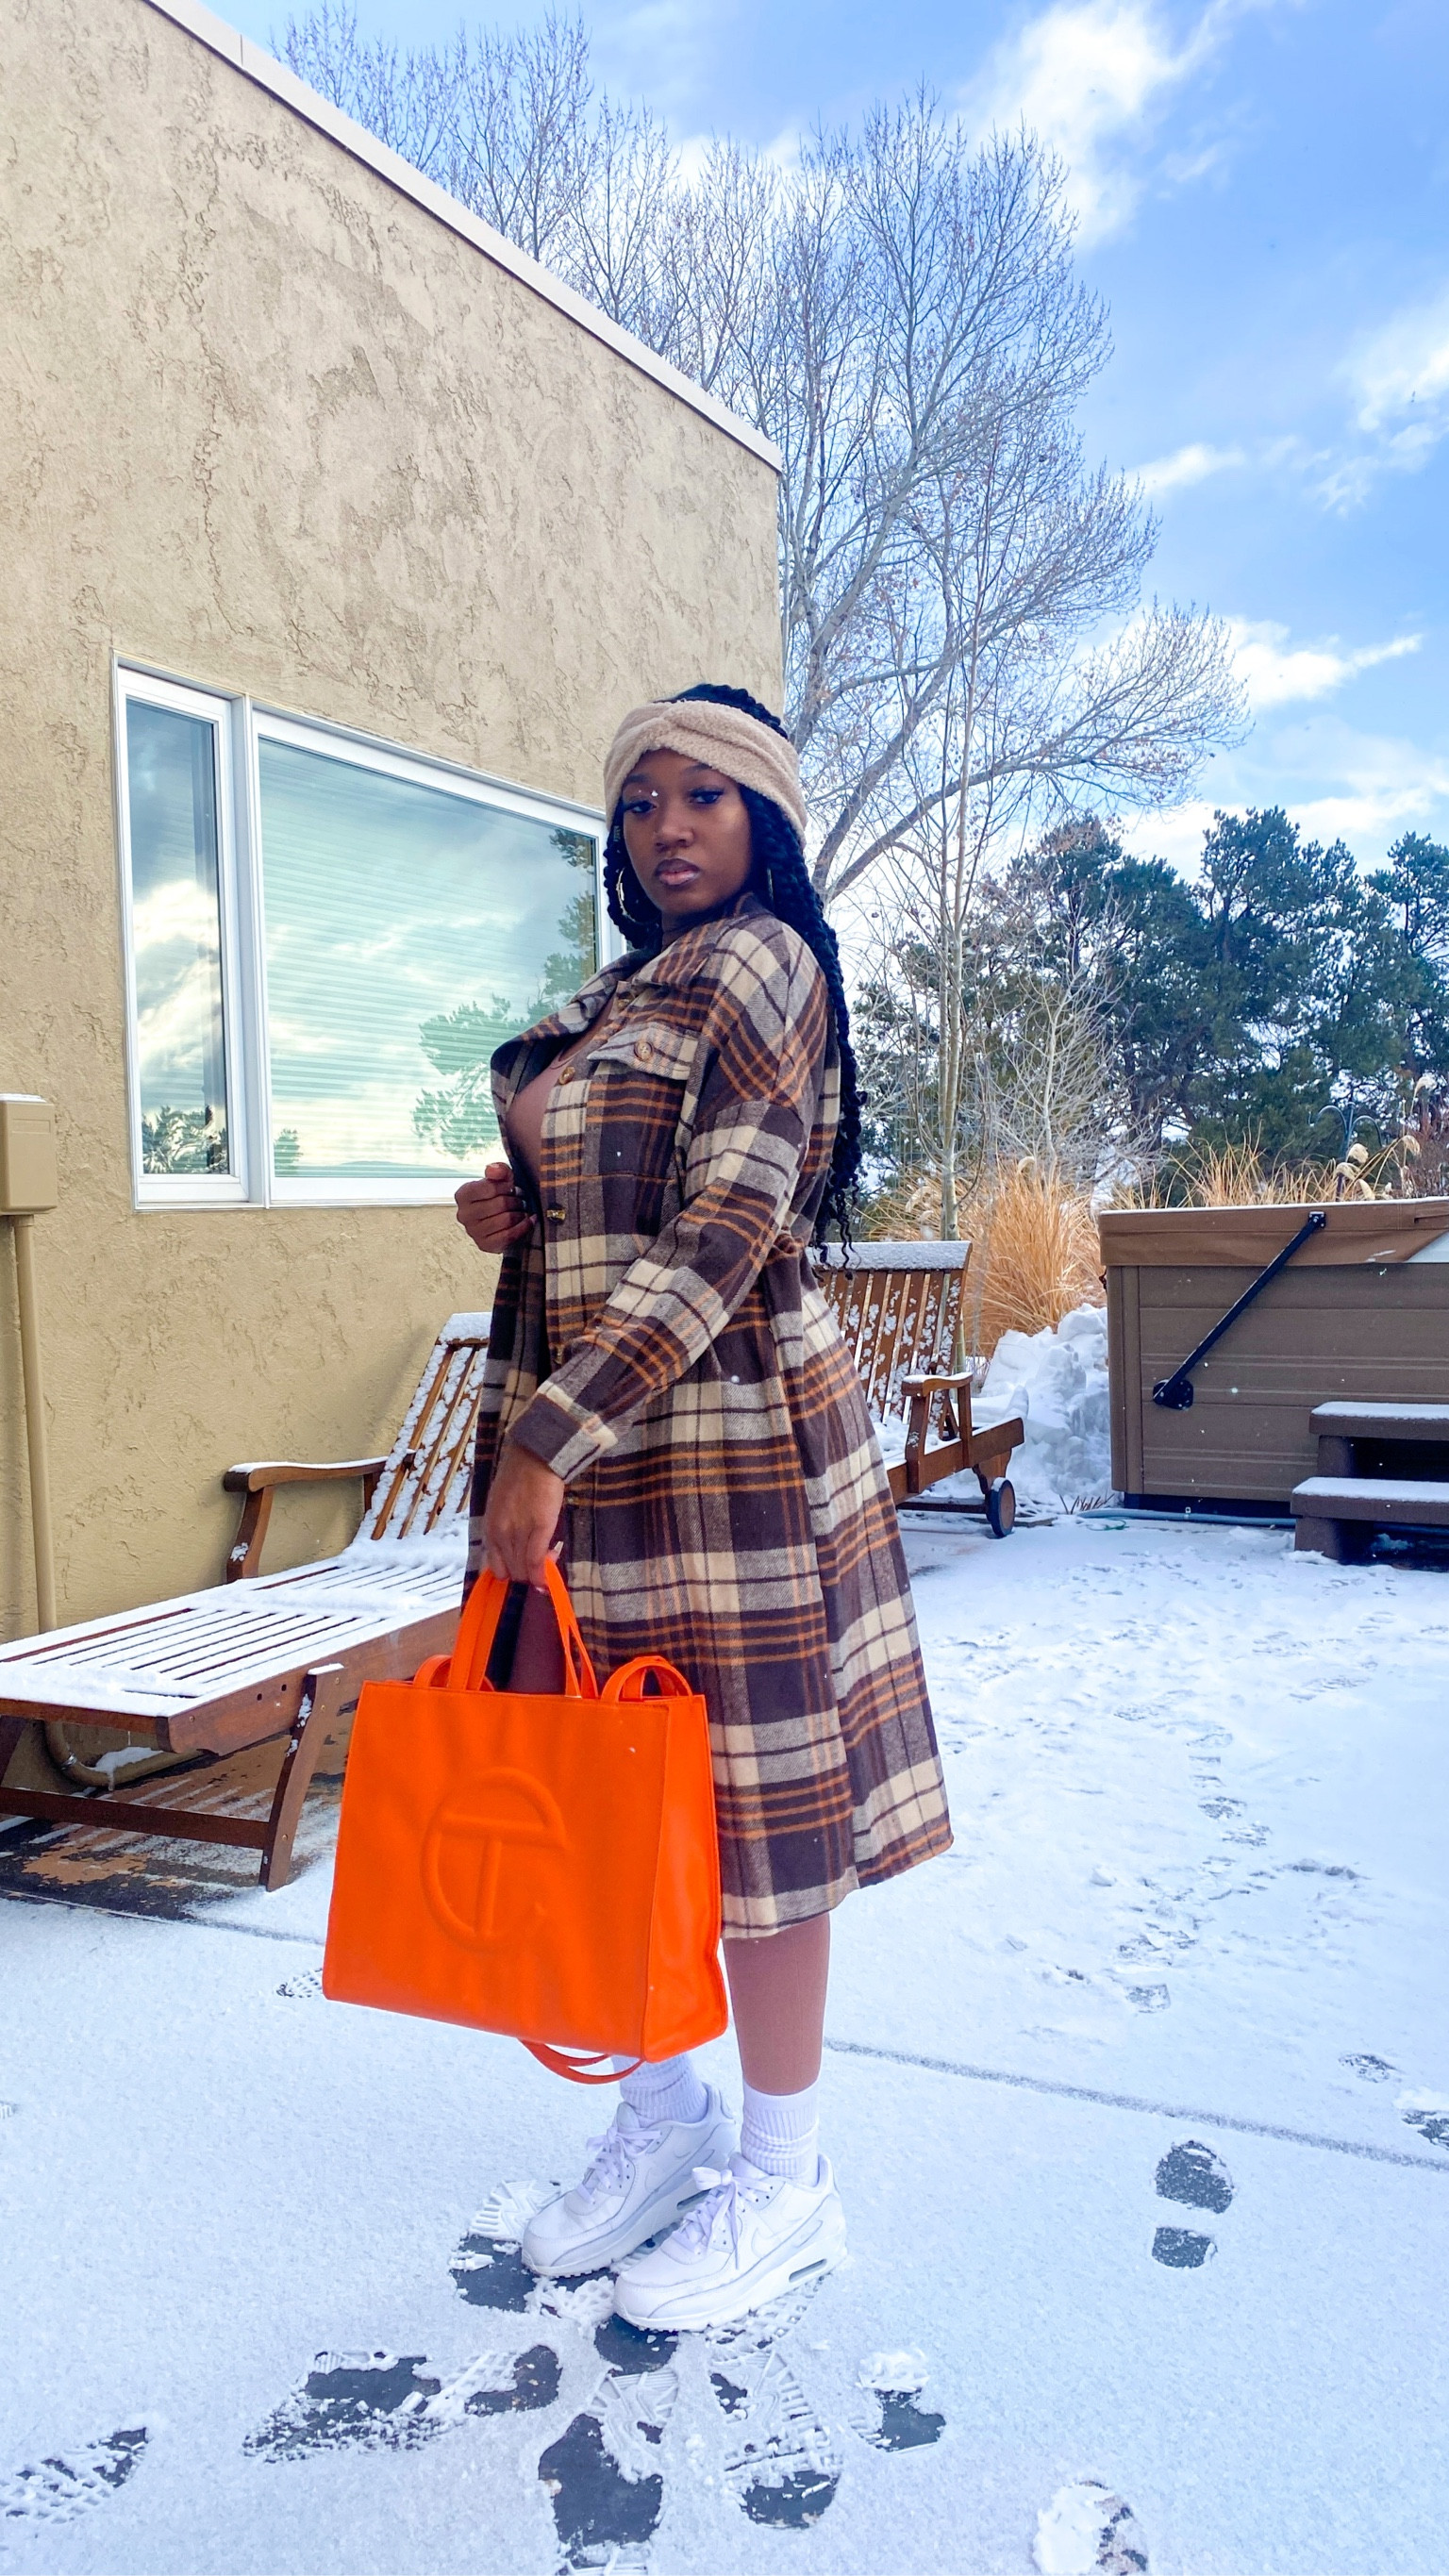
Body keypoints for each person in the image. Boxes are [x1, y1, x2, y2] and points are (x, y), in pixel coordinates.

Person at [455, 684, 951, 2332]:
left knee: (753, 1818)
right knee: (620, 1804)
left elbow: (727, 1230)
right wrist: (518, 1204)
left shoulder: (767, 964)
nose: (668, 826)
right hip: (609, 1463)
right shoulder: (620, 996)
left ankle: (788, 2173)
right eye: (642, 801)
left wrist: (546, 1436)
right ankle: (664, 2120)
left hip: (724, 1448)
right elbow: (614, 1204)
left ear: (768, 822)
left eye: (708, 797)